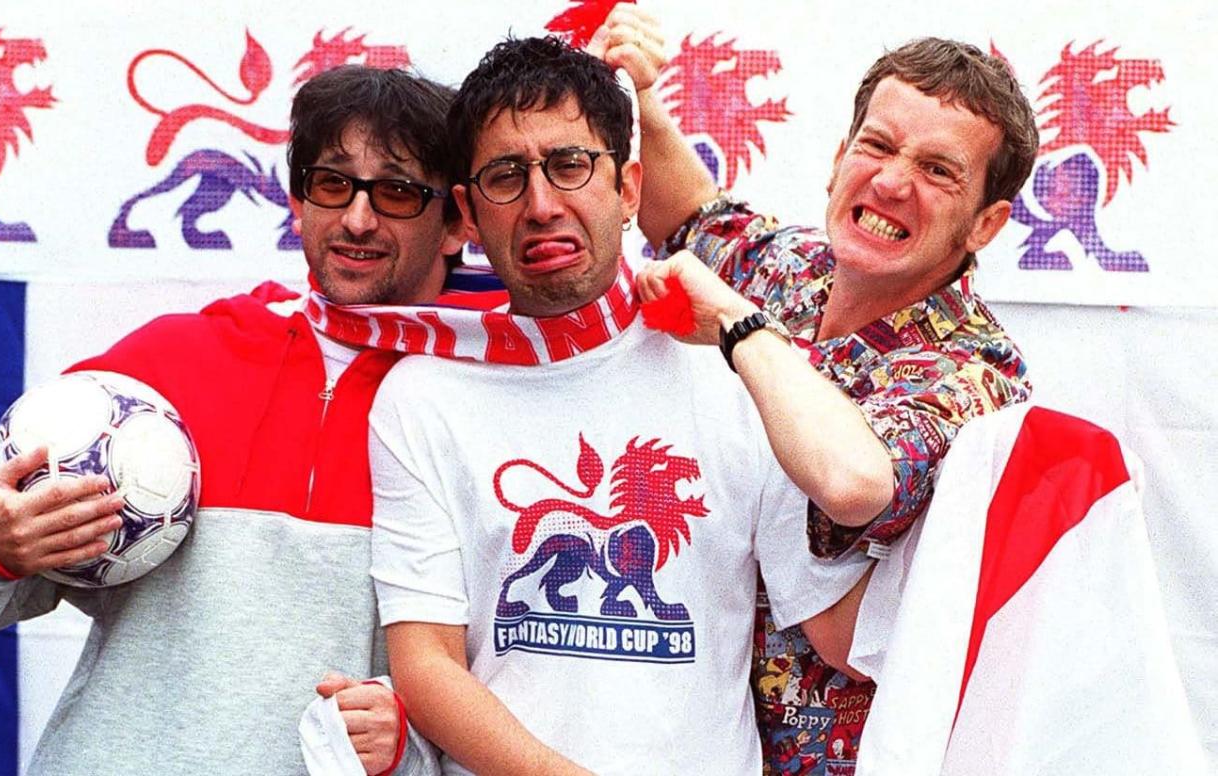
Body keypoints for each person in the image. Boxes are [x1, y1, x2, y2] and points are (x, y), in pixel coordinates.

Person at [321, 35, 870, 776]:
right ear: (468, 212)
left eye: (571, 165)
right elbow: (427, 666)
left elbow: (839, 627)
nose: (543, 205)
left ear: (630, 188)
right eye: (507, 177)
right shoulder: (422, 397)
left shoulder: (732, 375)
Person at [0, 65, 470, 775]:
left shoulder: (488, 403)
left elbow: (532, 671)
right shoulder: (168, 361)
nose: (357, 219)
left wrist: (417, 736)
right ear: (298, 203)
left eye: (395, 192)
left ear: (455, 222)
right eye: (332, 184)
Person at [591, 7, 1036, 772]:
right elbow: (688, 217)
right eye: (878, 146)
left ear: (985, 224)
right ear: (838, 159)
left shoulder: (979, 373)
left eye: (938, 170)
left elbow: (853, 483)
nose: (893, 182)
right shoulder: (794, 267)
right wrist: (639, 93)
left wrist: (736, 325)